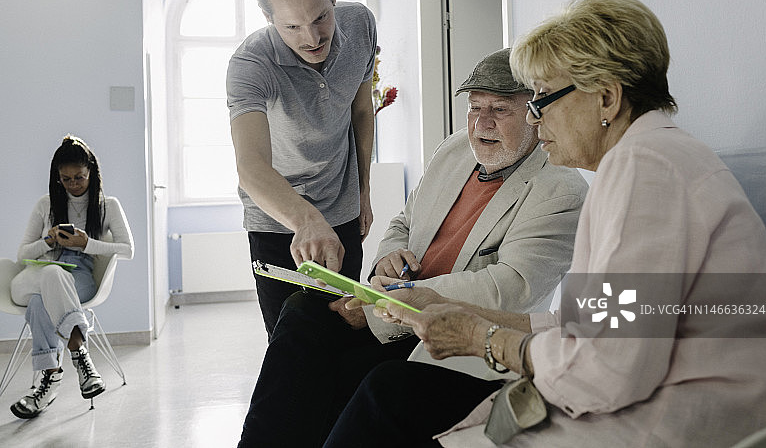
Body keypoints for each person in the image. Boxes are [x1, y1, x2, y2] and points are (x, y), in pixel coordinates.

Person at [323, 0, 766, 448]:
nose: (535, 118)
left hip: (667, 422)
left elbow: (605, 371)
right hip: (660, 402)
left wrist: (481, 338)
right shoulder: (651, 159)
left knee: (391, 396)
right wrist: (448, 308)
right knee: (391, 391)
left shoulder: (645, 171)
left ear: (606, 99)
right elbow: (589, 322)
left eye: (543, 98)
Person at [236, 48, 589, 448]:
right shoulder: (454, 150)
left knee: (343, 373)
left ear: (534, 111)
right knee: (301, 313)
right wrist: (388, 258)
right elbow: (404, 222)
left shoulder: (560, 188)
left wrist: (386, 308)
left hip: (450, 329)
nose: (482, 124)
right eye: (475, 108)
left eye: (500, 110)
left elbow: (511, 288)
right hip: (394, 302)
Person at [226, 0, 376, 337]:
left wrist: (363, 189)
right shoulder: (250, 65)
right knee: (291, 348)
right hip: (277, 223)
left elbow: (362, 111)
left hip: (343, 209)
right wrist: (305, 220)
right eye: (291, 26)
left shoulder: (361, 24)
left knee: (345, 337)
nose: (312, 38)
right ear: (268, 18)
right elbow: (251, 166)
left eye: (320, 17)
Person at [9, 135, 134, 419]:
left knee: (40, 302)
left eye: (80, 177)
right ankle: (81, 356)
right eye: (66, 179)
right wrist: (48, 242)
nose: (74, 184)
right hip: (41, 269)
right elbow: (22, 253)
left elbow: (128, 250)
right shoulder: (46, 204)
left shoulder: (107, 205)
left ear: (91, 172)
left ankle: (48, 383)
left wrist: (85, 244)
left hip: (80, 274)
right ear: (57, 177)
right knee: (49, 275)